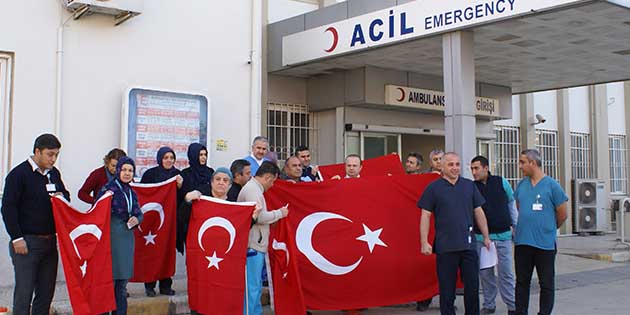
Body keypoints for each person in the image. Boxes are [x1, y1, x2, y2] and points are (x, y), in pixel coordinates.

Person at [1, 134, 70, 315]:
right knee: (24, 293)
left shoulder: (54, 174)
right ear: (37, 151)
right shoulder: (18, 174)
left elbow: (66, 196)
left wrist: (62, 198)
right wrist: (17, 238)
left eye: (56, 155)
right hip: (27, 243)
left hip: (49, 242)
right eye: (50, 154)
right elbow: (8, 208)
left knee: (46, 293)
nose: (53, 159)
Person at [418, 152, 491, 315]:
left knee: (472, 288)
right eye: (451, 164)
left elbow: (478, 211)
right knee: (447, 291)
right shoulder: (433, 188)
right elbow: (425, 215)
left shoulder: (469, 186)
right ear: (442, 167)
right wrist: (424, 242)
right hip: (446, 247)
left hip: (468, 246)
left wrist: (486, 236)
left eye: (457, 164)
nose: (455, 168)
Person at [513, 149, 568, 315]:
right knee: (522, 282)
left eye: (522, 162)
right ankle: (521, 312)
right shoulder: (522, 185)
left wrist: (549, 228)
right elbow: (519, 207)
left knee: (546, 283)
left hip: (544, 244)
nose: (520, 166)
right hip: (523, 242)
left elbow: (562, 214)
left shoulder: (552, 186)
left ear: (533, 163)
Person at [238, 161, 289, 315]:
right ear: (267, 178)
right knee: (252, 288)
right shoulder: (253, 190)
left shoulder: (254, 188)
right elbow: (259, 217)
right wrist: (280, 213)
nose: (272, 185)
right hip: (252, 245)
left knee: (255, 286)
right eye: (273, 181)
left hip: (254, 244)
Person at [470, 156, 517, 315]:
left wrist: (515, 226)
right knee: (486, 274)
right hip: (481, 239)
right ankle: (489, 304)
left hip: (503, 236)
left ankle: (512, 305)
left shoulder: (501, 182)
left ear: (486, 167)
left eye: (476, 168)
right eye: (472, 169)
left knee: (506, 274)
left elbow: (511, 203)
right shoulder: (472, 187)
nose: (474, 172)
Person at [97, 156, 143, 315]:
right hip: (110, 240)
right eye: (124, 169)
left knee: (121, 286)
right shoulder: (107, 190)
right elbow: (98, 211)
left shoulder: (132, 192)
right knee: (108, 284)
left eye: (130, 170)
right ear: (117, 171)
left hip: (126, 240)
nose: (127, 173)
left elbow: (139, 212)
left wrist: (137, 219)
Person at [140, 147, 184, 297]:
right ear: (160, 159)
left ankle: (165, 286)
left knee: (167, 254)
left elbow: (181, 199)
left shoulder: (177, 175)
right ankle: (149, 285)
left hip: (170, 222)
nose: (169, 160)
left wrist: (179, 187)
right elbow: (143, 194)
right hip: (153, 223)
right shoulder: (150, 174)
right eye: (166, 157)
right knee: (152, 254)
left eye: (172, 157)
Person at [177, 143, 214, 254]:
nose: (203, 157)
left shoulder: (210, 172)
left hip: (207, 217)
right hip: (190, 219)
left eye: (205, 154)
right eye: (200, 155)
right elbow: (182, 197)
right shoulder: (185, 174)